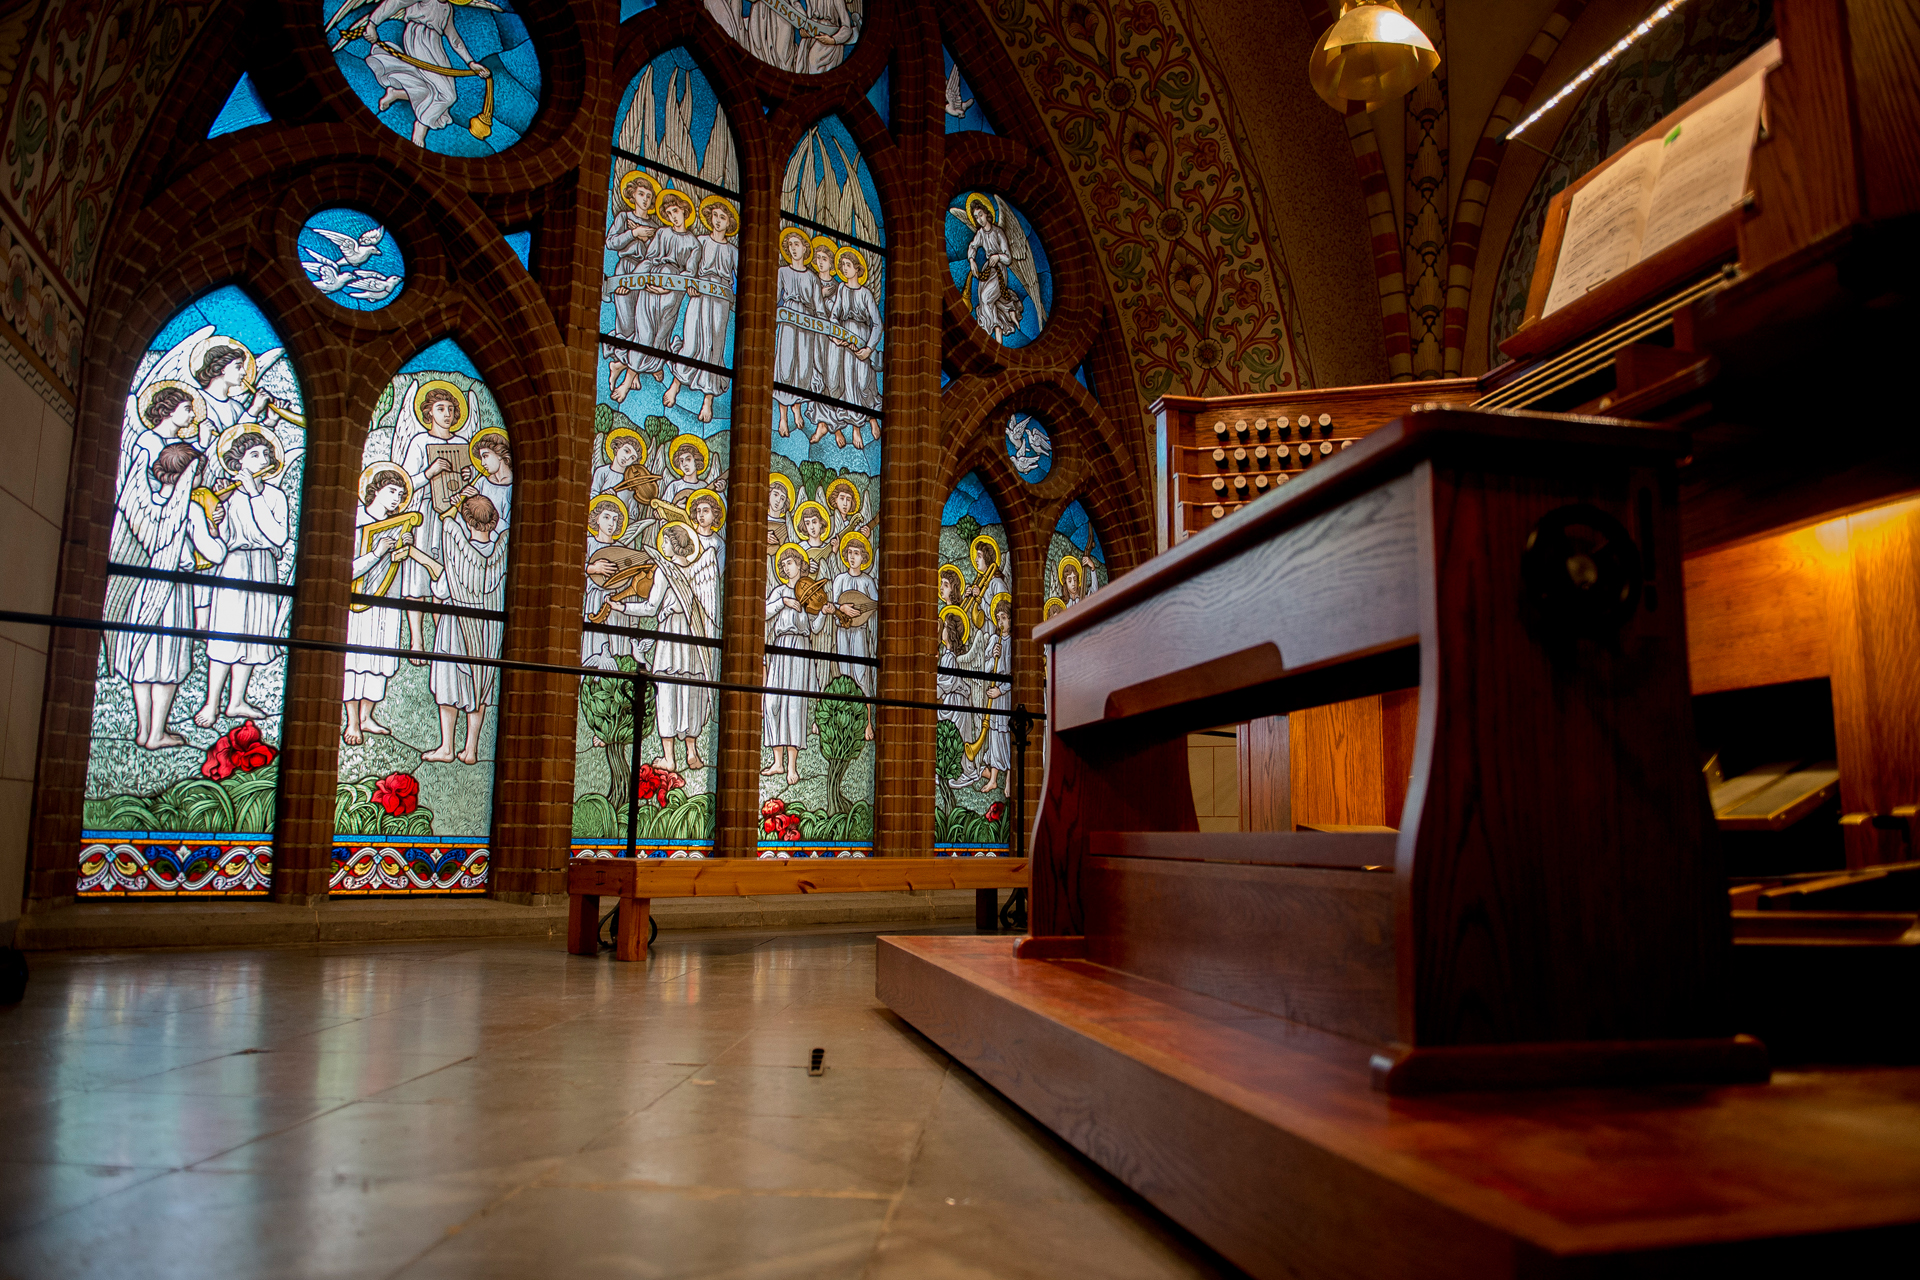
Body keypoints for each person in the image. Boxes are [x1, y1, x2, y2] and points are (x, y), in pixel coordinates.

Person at [110, 444, 222, 750]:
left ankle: (143, 730)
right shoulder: (189, 508)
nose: (201, 478)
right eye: (198, 472)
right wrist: (214, 530)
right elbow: (214, 552)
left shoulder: (144, 499)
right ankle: (157, 733)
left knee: (143, 661)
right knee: (166, 664)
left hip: (140, 593)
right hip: (171, 595)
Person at [612, 492, 723, 774]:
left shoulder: (666, 570)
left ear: (673, 544)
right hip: (694, 636)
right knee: (692, 689)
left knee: (668, 691)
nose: (661, 545)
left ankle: (669, 757)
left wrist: (622, 607)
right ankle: (693, 752)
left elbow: (650, 608)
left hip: (673, 633)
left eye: (664, 541)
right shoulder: (702, 567)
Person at [196, 429, 290, 727]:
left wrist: (255, 495)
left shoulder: (274, 496)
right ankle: (211, 703)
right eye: (254, 455)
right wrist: (215, 525)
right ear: (237, 463)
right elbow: (219, 542)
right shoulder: (226, 495)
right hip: (234, 566)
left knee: (253, 633)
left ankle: (236, 701)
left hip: (263, 566)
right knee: (227, 631)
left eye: (265, 454)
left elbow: (278, 535)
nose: (262, 459)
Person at [423, 493, 508, 765]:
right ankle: (471, 750)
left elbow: (442, 588)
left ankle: (447, 747)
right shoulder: (500, 555)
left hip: (456, 628)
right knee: (479, 686)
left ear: (467, 521)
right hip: (487, 631)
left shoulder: (459, 555)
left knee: (449, 685)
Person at [343, 467, 415, 745]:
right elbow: (345, 571)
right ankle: (351, 721)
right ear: (374, 490)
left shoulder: (396, 525)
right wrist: (376, 553)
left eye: (400, 494)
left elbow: (389, 568)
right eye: (391, 492)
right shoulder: (355, 521)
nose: (396, 499)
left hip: (386, 601)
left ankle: (367, 717)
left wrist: (400, 552)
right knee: (354, 661)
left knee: (380, 659)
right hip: (356, 604)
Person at [358, 0, 493, 148]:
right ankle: (421, 125)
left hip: (435, 44)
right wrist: (372, 23)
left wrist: (471, 63)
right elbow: (396, 2)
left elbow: (454, 39)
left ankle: (397, 93)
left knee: (434, 89)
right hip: (418, 37)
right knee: (448, 95)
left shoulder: (447, 8)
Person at [664, 196, 739, 424]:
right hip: (700, 295)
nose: (717, 221)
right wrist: (691, 284)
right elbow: (690, 268)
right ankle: (675, 384)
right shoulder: (701, 241)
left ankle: (708, 400)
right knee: (692, 339)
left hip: (721, 302)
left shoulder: (734, 251)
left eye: (723, 217)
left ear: (729, 223)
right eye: (715, 216)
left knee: (714, 347)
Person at [763, 543, 830, 786]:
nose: (785, 567)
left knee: (794, 706)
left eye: (789, 562)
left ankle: (791, 766)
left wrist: (823, 612)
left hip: (801, 650)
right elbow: (763, 613)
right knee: (773, 703)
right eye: (782, 564)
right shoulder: (779, 592)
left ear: (800, 564)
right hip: (780, 650)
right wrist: (783, 602)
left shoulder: (808, 596)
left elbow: (813, 629)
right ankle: (776, 761)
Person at [626, 189, 703, 390]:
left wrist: (669, 288)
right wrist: (632, 280)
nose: (672, 216)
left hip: (672, 292)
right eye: (668, 213)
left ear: (685, 211)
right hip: (651, 286)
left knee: (662, 334)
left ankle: (654, 365)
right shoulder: (662, 233)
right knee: (643, 331)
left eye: (675, 211)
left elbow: (690, 273)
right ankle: (630, 376)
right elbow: (649, 259)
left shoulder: (694, 243)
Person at [606, 173, 662, 405]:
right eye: (641, 194)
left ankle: (623, 367)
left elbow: (658, 254)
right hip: (627, 271)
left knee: (644, 325)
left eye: (649, 196)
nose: (646, 199)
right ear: (632, 196)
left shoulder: (656, 226)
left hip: (646, 275)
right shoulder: (623, 217)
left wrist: (648, 239)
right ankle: (627, 368)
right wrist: (633, 234)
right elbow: (610, 242)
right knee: (626, 324)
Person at [825, 246, 881, 448]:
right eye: (842, 265)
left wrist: (869, 348)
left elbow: (877, 323)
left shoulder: (865, 293)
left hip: (862, 342)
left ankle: (873, 419)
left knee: (864, 383)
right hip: (846, 343)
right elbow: (834, 315)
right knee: (848, 383)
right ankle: (856, 427)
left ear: (858, 269)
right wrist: (837, 335)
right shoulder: (841, 289)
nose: (844, 268)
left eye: (848, 265)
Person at [828, 530, 877, 741]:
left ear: (864, 557)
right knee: (843, 673)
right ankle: (844, 722)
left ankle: (866, 723)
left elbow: (874, 606)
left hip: (859, 634)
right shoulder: (839, 579)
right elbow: (831, 605)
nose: (852, 556)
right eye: (849, 552)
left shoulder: (868, 582)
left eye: (857, 553)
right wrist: (842, 608)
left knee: (861, 675)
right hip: (842, 632)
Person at [773, 228, 821, 437]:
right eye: (790, 245)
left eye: (797, 244)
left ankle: (797, 407)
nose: (793, 248)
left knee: (803, 369)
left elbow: (819, 308)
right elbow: (773, 299)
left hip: (807, 327)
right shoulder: (782, 272)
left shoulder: (812, 277)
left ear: (805, 248)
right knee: (785, 367)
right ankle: (782, 417)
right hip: (788, 323)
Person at [967, 200, 1025, 342]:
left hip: (998, 271)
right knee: (987, 302)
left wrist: (997, 256)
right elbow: (972, 246)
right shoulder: (980, 233)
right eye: (976, 217)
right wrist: (971, 260)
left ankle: (991, 332)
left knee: (987, 299)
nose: (979, 219)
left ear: (987, 213)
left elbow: (1008, 258)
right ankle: (999, 329)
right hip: (987, 271)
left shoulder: (998, 232)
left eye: (981, 215)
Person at [804, 236, 843, 444]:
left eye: (824, 258)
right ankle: (823, 423)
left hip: (831, 342)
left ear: (831, 264)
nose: (820, 262)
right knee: (815, 380)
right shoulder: (809, 280)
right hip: (811, 338)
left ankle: (832, 424)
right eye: (817, 258)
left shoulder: (839, 288)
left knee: (831, 380)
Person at [977, 594, 1013, 794]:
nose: (1000, 622)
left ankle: (1009, 779)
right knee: (995, 736)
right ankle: (994, 779)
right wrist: (993, 656)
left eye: (1004, 618)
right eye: (998, 618)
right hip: (995, 695)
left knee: (1006, 735)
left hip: (1006, 696)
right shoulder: (994, 640)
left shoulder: (1015, 643)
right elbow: (987, 667)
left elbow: (1015, 673)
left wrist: (1001, 690)